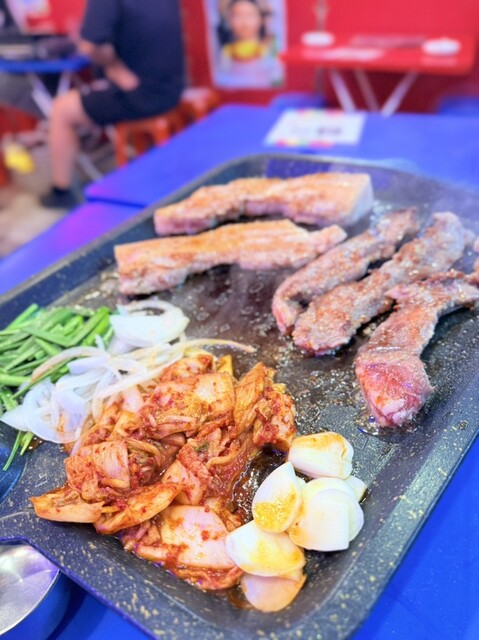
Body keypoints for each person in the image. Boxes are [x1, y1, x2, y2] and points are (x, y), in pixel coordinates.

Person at [41, 0, 184, 209]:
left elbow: (91, 45)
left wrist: (114, 68)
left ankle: (61, 191)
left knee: (61, 109)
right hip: (174, 88)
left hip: (142, 95)